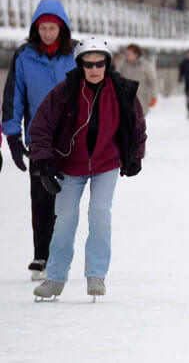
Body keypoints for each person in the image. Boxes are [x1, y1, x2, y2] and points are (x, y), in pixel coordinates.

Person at [29, 37, 146, 301]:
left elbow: (138, 126)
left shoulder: (122, 91)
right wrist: (44, 163)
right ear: (80, 65)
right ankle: (55, 278)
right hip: (70, 167)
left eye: (99, 64)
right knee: (65, 221)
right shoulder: (65, 92)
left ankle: (96, 274)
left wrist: (136, 157)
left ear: (108, 64)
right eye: (88, 64)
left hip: (106, 165)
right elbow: (40, 128)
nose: (94, 69)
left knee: (100, 214)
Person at [2, 0, 76, 281]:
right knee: (40, 197)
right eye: (43, 28)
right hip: (39, 140)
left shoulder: (76, 55)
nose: (47, 33)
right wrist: (12, 137)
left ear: (62, 29)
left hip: (71, 139)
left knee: (66, 200)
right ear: (36, 28)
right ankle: (40, 256)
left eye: (52, 28)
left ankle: (58, 255)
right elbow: (14, 96)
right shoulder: (24, 55)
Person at [118, 44, 158, 114]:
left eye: (128, 54)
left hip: (141, 101)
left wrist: (154, 96)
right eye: (126, 53)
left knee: (137, 123)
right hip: (124, 102)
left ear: (136, 54)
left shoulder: (145, 65)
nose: (126, 55)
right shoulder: (122, 65)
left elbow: (152, 82)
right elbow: (116, 80)